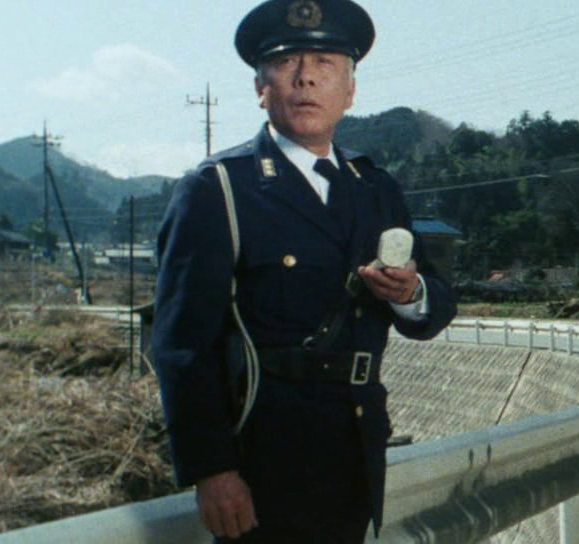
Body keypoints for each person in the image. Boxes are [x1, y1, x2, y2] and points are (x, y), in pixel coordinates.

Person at [151, 0, 457, 542]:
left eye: (325, 63)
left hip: (357, 450)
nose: (306, 78)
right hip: (263, 460)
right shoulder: (218, 189)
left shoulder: (375, 188)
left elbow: (435, 303)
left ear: (350, 90)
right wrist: (212, 470)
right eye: (287, 61)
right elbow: (182, 345)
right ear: (260, 87)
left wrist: (410, 293)